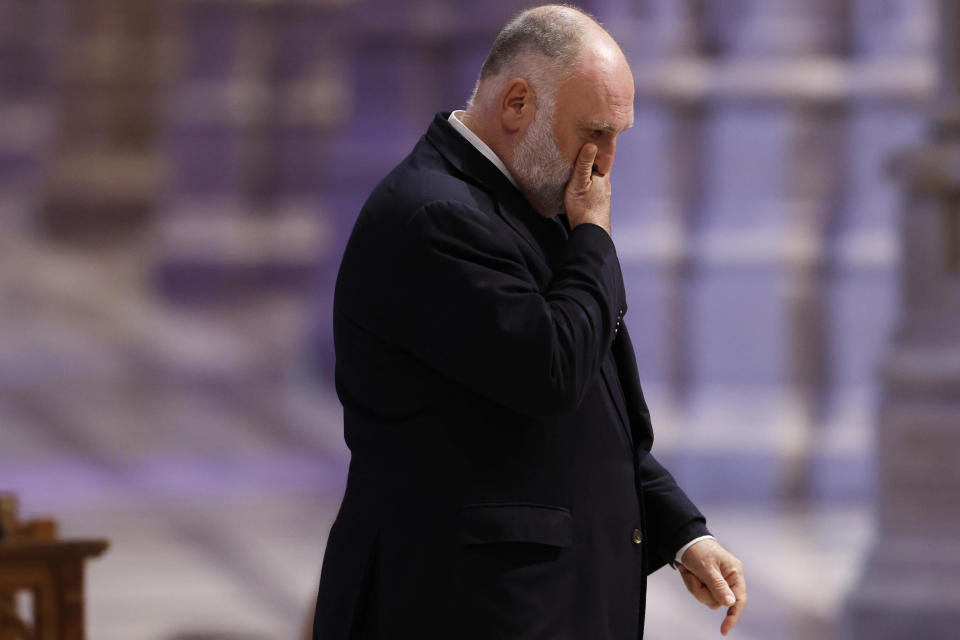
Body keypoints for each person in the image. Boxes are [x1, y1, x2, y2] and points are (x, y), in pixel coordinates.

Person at [313, 5, 746, 639]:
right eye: (595, 132)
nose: (606, 162)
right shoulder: (435, 218)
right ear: (517, 104)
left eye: (618, 135)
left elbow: (586, 418)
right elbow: (550, 372)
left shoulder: (518, 207)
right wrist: (593, 239)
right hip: (460, 611)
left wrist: (683, 533)